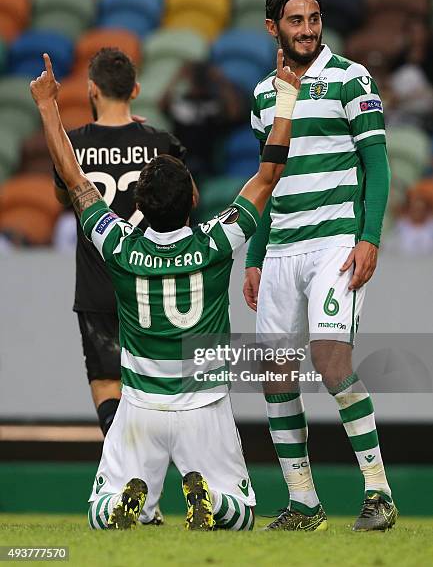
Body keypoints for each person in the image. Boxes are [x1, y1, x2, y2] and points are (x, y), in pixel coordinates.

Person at [30, 51, 301, 530]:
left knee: (99, 516)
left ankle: (120, 504)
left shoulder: (118, 245)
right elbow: (267, 175)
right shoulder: (216, 242)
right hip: (205, 405)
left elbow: (74, 179)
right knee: (240, 518)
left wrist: (49, 107)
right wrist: (286, 99)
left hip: (139, 407)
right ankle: (214, 504)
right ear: (194, 198)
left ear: (140, 203)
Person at [243, 0, 397, 532]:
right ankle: (303, 502)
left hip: (334, 245)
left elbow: (377, 166)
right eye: (295, 21)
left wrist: (369, 237)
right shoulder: (263, 95)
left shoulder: (352, 78)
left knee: (332, 364)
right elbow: (267, 179)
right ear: (273, 29)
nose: (307, 30)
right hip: (280, 249)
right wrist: (255, 255)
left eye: (313, 19)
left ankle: (378, 492)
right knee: (276, 377)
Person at [54, 48, 186, 441]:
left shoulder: (74, 146)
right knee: (160, 385)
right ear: (136, 90)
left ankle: (125, 464)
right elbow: (187, 201)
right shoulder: (162, 143)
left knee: (106, 379)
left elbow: (66, 199)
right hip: (151, 284)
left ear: (92, 89)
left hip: (98, 287)